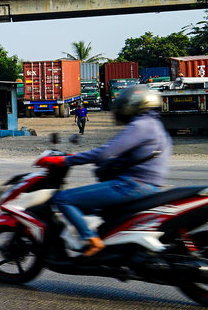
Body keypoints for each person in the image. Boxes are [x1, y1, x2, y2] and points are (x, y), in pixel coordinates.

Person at [52, 85, 171, 257]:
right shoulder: (156, 125)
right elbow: (124, 155)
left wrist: (65, 160)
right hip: (148, 186)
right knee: (94, 209)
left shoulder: (141, 125)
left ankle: (91, 239)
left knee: (63, 199)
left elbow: (104, 152)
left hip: (131, 185)